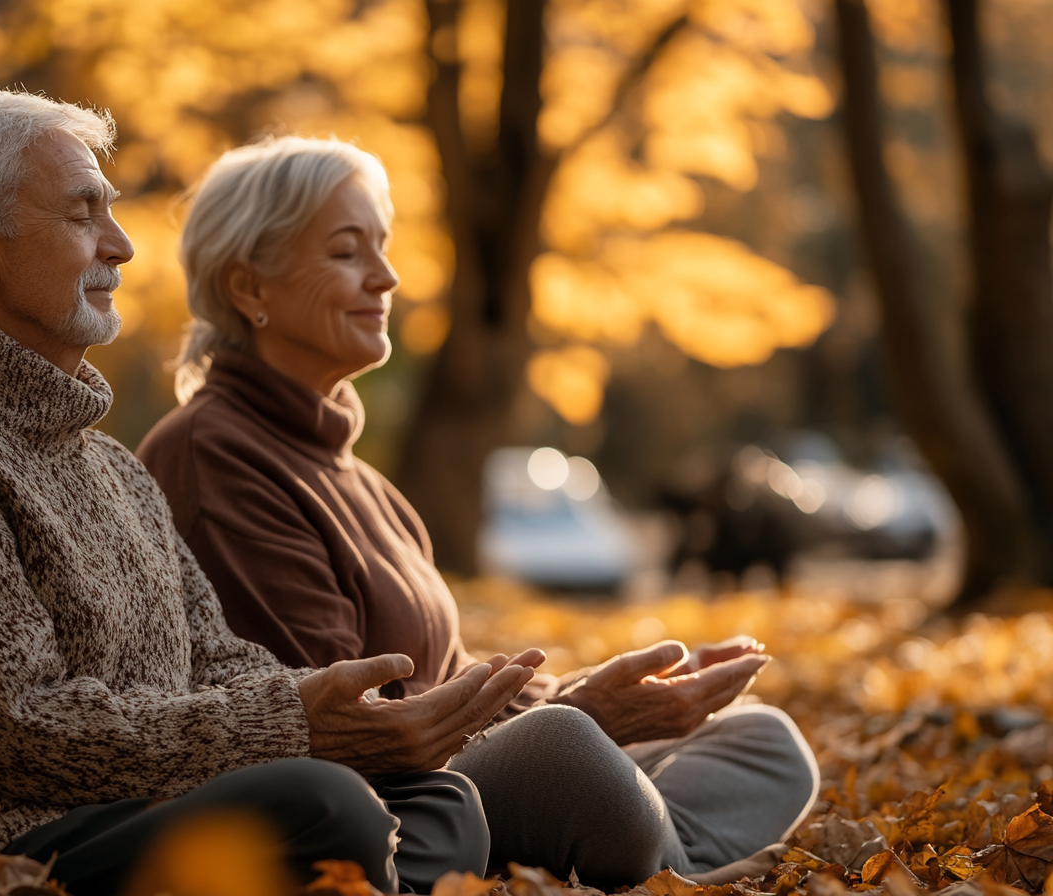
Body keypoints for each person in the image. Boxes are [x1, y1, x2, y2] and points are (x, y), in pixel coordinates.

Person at [0, 91, 542, 896]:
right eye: (82, 215)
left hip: (140, 801)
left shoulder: (113, 467)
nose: (122, 246)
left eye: (112, 213)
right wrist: (294, 725)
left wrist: (335, 714)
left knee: (440, 800)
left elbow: (214, 653)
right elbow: (20, 732)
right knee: (328, 804)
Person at [136, 135, 822, 889]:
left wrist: (593, 695)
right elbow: (343, 726)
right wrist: (577, 718)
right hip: (391, 799)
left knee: (763, 738)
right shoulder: (212, 454)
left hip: (455, 767)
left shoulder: (363, 480)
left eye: (384, 248)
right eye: (345, 253)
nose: (387, 276)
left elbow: (453, 674)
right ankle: (668, 861)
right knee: (568, 751)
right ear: (250, 288)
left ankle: (662, 858)